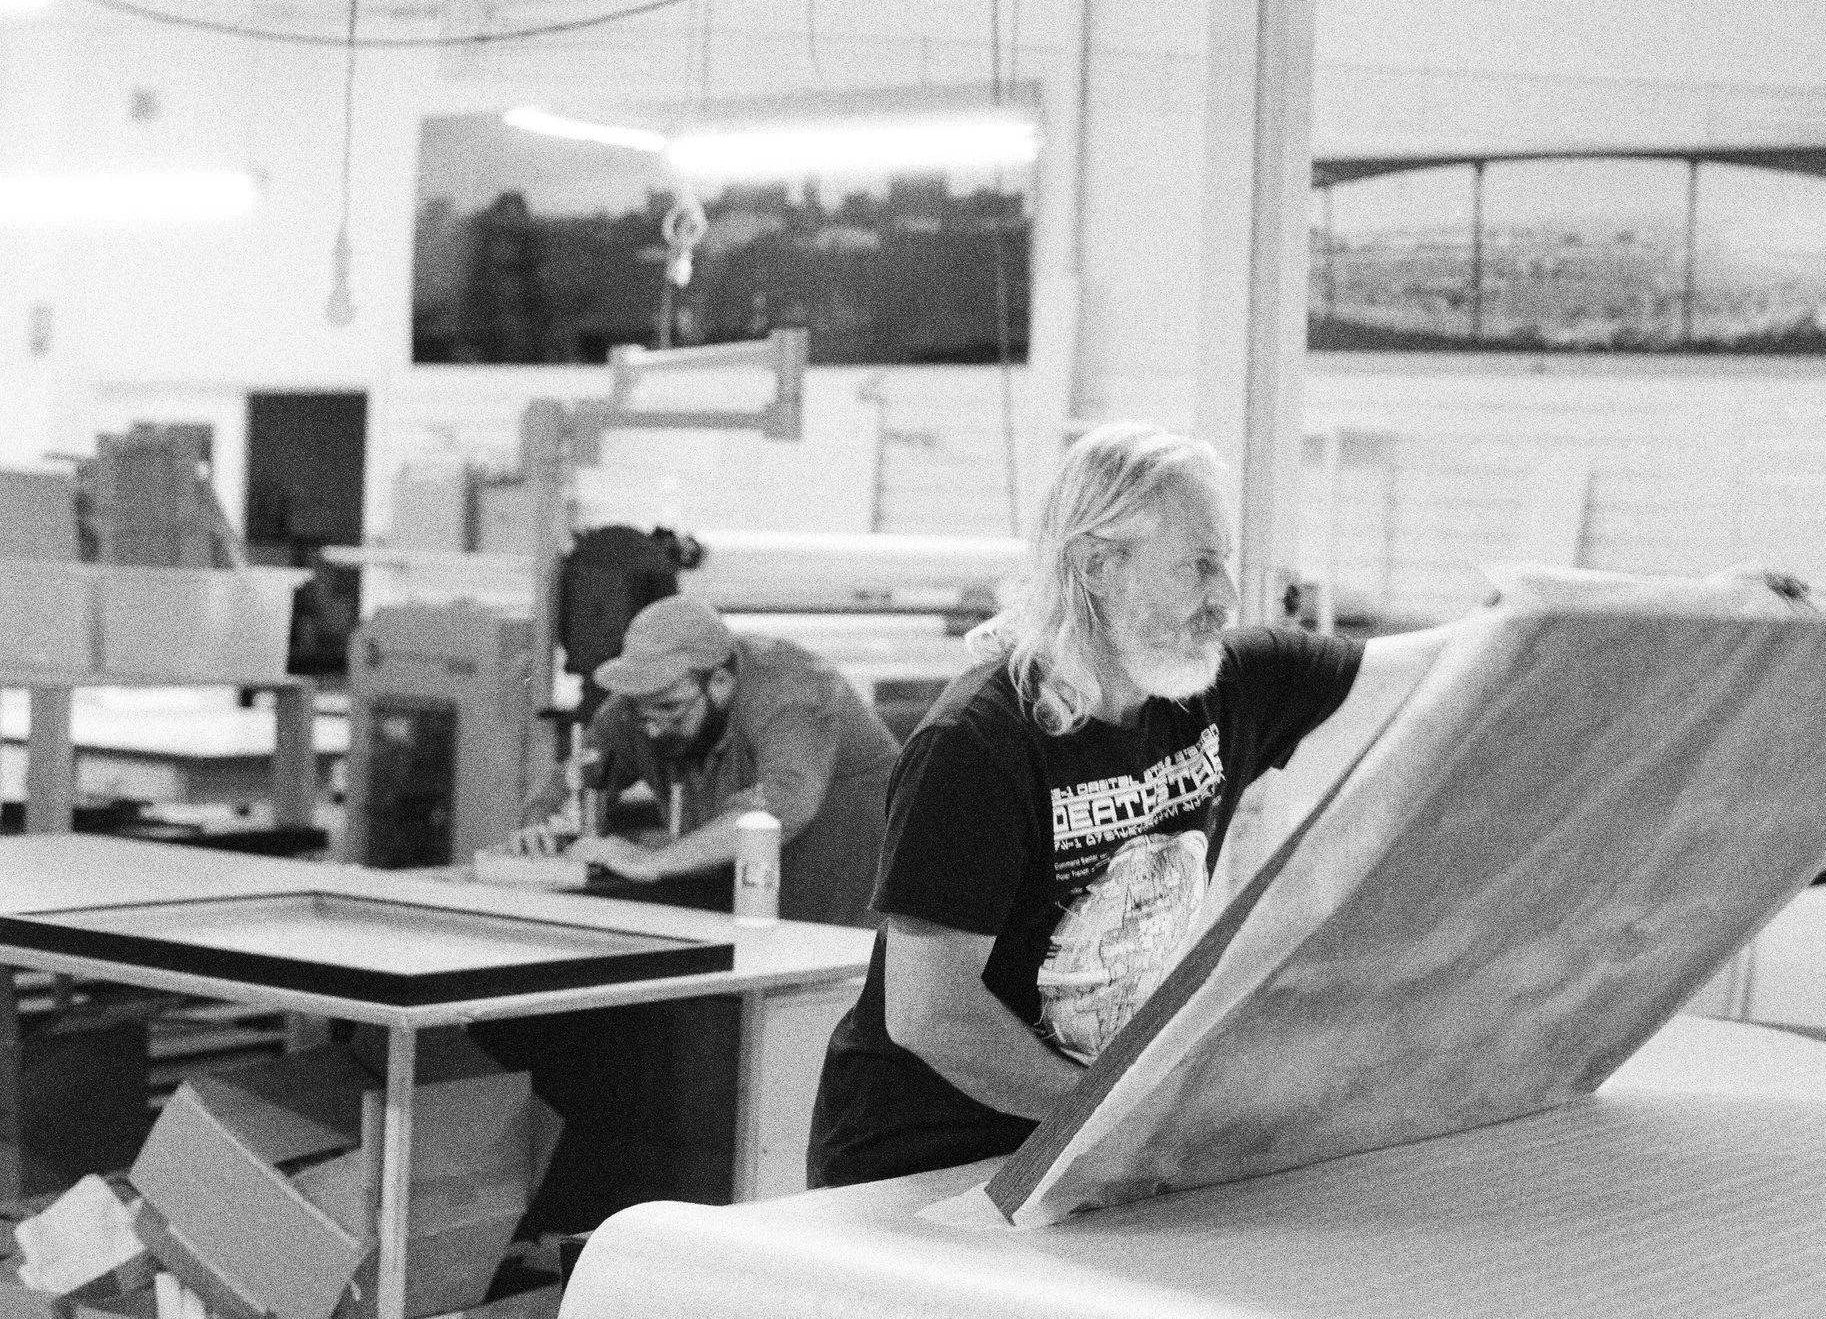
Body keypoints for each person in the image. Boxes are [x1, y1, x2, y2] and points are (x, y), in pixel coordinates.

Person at [807, 423, 1447, 1187]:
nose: (1225, 598)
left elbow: (1434, 670)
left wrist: (1559, 618)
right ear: (1100, 566)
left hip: (1074, 1149)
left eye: (1225, 565)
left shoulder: (1221, 689)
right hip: (918, 1164)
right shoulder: (979, 744)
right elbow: (930, 1013)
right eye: (1198, 567)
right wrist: (1123, 1119)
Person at [508, 594, 899, 927]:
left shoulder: (790, 692)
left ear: (721, 682)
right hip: (755, 906)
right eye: (644, 714)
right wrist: (541, 828)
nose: (654, 730)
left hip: (855, 913)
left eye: (671, 711)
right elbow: (576, 780)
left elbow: (780, 807)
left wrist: (653, 860)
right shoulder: (643, 705)